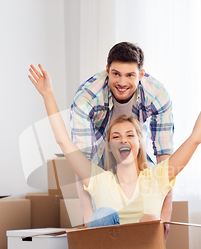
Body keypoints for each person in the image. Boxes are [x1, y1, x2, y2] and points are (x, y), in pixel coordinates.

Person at [28, 62, 201, 239]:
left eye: (130, 135)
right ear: (109, 146)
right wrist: (47, 95)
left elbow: (195, 139)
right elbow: (64, 142)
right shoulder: (99, 180)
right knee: (104, 214)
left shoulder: (158, 177)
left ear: (140, 143)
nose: (123, 140)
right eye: (116, 136)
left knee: (150, 219)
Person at [70, 42, 175, 231]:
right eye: (116, 74)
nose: (122, 82)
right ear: (107, 70)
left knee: (149, 181)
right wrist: (88, 218)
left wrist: (164, 219)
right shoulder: (86, 98)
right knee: (102, 206)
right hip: (101, 145)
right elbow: (82, 158)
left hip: (134, 143)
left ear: (141, 75)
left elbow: (165, 159)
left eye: (130, 75)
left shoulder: (158, 95)